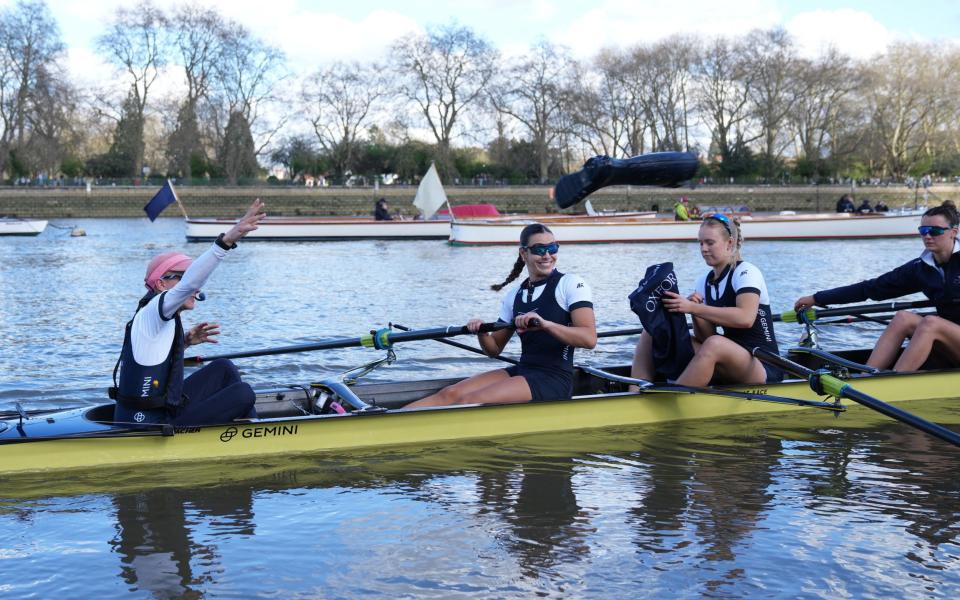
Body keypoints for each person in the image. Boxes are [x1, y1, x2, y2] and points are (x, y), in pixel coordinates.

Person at [111, 199, 267, 426]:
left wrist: (183, 344)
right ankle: (250, 433)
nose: (195, 288)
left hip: (163, 410)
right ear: (161, 285)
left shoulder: (159, 319)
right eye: (184, 277)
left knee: (223, 368)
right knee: (243, 394)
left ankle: (249, 429)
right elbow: (192, 282)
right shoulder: (153, 309)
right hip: (148, 423)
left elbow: (151, 358)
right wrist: (226, 241)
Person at [406, 223, 597, 408]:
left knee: (470, 400)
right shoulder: (514, 295)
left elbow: (589, 339)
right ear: (524, 253)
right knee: (450, 394)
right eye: (539, 249)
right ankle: (393, 421)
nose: (547, 255)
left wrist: (546, 325)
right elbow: (494, 349)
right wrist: (482, 333)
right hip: (524, 370)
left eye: (552, 248)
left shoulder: (571, 284)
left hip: (554, 378)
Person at [794, 202, 960, 372]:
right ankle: (869, 376)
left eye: (935, 231)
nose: (927, 236)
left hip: (946, 332)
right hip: (950, 338)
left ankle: (893, 383)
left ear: (953, 232)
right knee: (902, 318)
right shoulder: (921, 268)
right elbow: (869, 289)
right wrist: (817, 298)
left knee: (930, 323)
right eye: (923, 231)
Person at [630, 213, 782, 388]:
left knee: (715, 344)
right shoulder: (703, 281)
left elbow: (745, 318)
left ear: (729, 243)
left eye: (710, 243)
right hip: (728, 357)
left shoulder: (746, 272)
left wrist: (694, 309)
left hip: (762, 364)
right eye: (701, 243)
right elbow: (705, 336)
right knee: (653, 330)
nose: (703, 249)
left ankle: (674, 399)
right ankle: (634, 393)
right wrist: (694, 311)